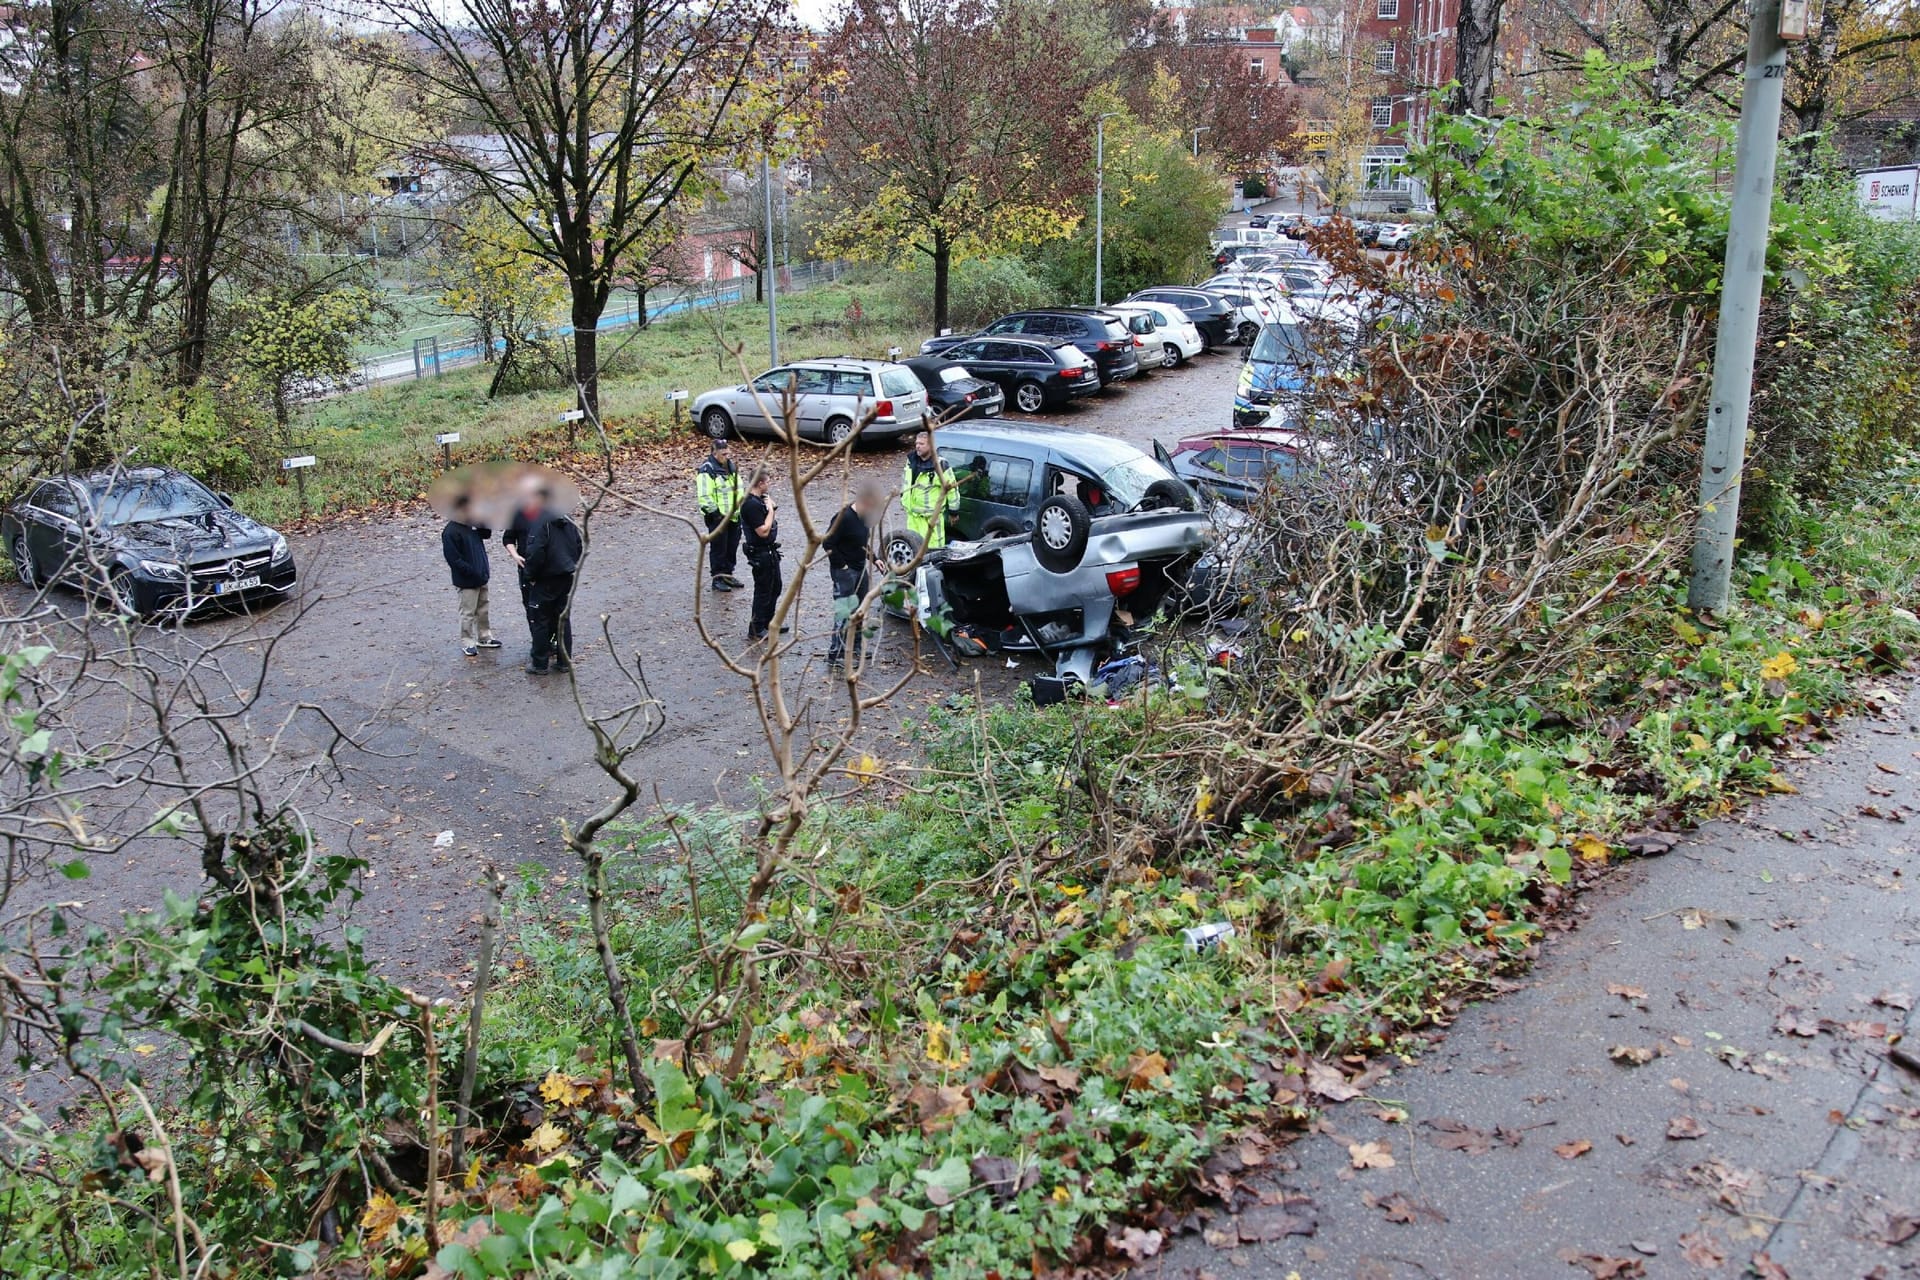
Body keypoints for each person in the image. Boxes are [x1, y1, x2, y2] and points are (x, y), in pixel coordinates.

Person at [519, 488, 582, 674]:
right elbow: (578, 546)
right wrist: (570, 565)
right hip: (566, 576)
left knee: (540, 620)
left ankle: (540, 664)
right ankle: (564, 661)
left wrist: (529, 576)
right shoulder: (568, 520)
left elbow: (536, 552)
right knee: (562, 619)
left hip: (545, 580)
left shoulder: (541, 524)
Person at [823, 483, 884, 669]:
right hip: (844, 572)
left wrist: (874, 559)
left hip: (860, 569)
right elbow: (827, 543)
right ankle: (835, 654)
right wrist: (842, 565)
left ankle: (855, 646)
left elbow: (861, 542)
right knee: (843, 612)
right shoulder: (843, 518)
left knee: (860, 609)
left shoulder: (863, 518)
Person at [441, 496, 501, 658]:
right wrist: (471, 571)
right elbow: (454, 559)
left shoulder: (472, 525)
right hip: (467, 580)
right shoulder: (450, 532)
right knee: (468, 612)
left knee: (483, 608)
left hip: (481, 576)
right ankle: (467, 641)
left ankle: (484, 636)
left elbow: (486, 534)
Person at [739, 469, 785, 641]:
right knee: (763, 591)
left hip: (770, 552)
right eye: (768, 482)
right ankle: (756, 628)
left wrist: (768, 503)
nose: (770, 485)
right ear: (760, 484)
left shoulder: (760, 500)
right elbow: (763, 531)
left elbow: (772, 506)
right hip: (760, 553)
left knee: (775, 587)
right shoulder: (750, 505)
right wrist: (771, 512)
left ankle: (768, 622)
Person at [695, 440, 745, 592]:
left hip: (734, 516)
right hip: (718, 518)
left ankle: (728, 575)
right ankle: (717, 579)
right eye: (723, 454)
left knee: (731, 548)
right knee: (718, 549)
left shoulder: (731, 466)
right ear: (714, 453)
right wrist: (715, 514)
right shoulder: (707, 470)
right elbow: (704, 495)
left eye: (728, 453)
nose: (727, 456)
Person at [901, 429, 958, 551]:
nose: (917, 446)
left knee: (933, 552)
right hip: (913, 516)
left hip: (931, 519)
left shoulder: (940, 465)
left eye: (922, 444)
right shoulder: (911, 461)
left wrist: (954, 511)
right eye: (916, 443)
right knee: (913, 550)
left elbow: (952, 489)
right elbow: (906, 482)